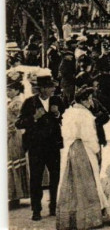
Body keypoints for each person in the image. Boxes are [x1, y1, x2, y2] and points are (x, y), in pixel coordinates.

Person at [56, 86, 107, 230]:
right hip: (84, 148)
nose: (91, 102)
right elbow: (89, 136)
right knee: (88, 181)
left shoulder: (69, 112)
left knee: (71, 181)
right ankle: (88, 219)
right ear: (85, 100)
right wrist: (96, 150)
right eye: (90, 99)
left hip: (71, 149)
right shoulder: (85, 115)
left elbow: (66, 134)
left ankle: (71, 218)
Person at [16, 74, 65, 221]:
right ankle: (36, 209)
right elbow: (19, 123)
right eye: (51, 87)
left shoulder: (57, 100)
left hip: (53, 146)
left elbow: (67, 118)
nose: (54, 89)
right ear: (42, 89)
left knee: (55, 176)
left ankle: (53, 206)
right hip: (36, 146)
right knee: (36, 178)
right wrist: (34, 118)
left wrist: (58, 115)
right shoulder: (29, 103)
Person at [7, 78, 29, 209]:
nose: (7, 92)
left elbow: (20, 120)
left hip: (15, 135)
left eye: (10, 90)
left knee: (13, 162)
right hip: (11, 134)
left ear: (16, 90)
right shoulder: (13, 102)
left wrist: (10, 129)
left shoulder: (17, 103)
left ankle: (15, 196)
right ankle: (14, 194)